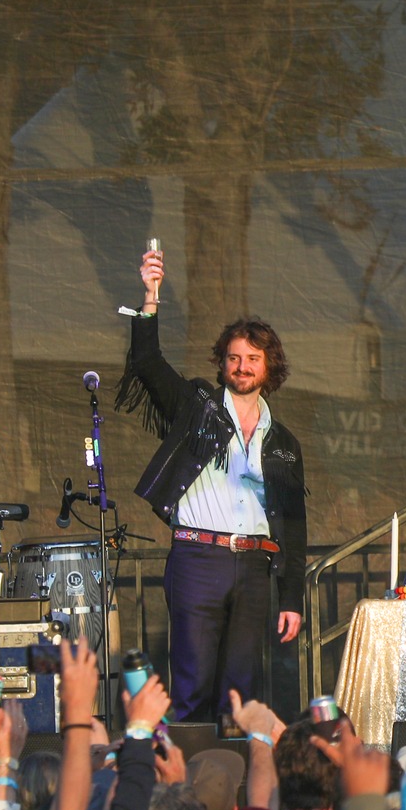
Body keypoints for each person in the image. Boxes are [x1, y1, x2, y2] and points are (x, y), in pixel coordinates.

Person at [117, 244, 306, 723]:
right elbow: (147, 363)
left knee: (241, 697)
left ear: (269, 367)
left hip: (254, 567)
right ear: (222, 363)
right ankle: (189, 791)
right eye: (234, 358)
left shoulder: (281, 440)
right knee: (193, 688)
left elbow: (294, 525)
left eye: (252, 358)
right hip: (199, 558)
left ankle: (239, 791)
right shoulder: (196, 406)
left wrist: (291, 598)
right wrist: (151, 296)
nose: (241, 366)